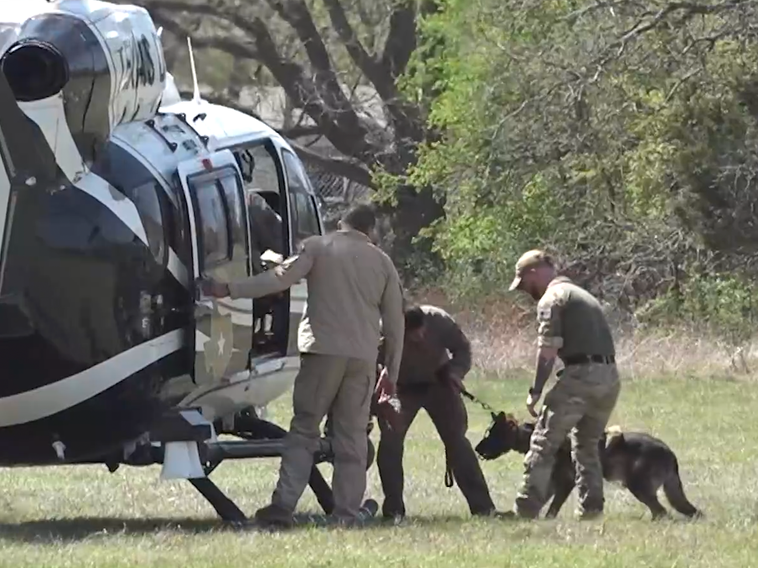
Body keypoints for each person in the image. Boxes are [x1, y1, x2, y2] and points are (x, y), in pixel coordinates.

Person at [200, 203, 404, 527]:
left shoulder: (319, 247)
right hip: (362, 358)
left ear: (341, 223)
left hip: (322, 352)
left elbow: (279, 279)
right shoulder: (383, 263)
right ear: (371, 230)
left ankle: (283, 506)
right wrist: (390, 375)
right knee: (351, 436)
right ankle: (346, 513)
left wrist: (229, 289)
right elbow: (395, 324)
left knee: (304, 430)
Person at [509, 249, 621, 521]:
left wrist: (535, 390)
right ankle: (591, 510)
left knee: (542, 443)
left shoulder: (552, 298)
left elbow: (547, 351)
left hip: (581, 376)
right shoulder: (582, 295)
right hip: (609, 377)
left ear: (533, 273)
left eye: (524, 283)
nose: (526, 291)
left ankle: (526, 510)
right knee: (587, 445)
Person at [374, 305, 498, 521]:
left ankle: (483, 509)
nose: (419, 338)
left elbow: (463, 349)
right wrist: (381, 396)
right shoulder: (384, 331)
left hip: (439, 384)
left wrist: (455, 372)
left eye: (422, 332)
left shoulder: (440, 321)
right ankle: (394, 511)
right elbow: (372, 363)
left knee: (457, 441)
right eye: (412, 335)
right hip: (400, 388)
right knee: (390, 442)